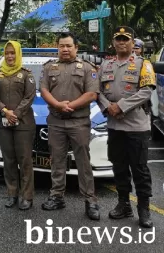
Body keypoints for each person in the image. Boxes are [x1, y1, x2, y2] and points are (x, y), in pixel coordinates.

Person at [98, 26, 156, 228]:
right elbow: (97, 92)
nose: (122, 42)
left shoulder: (143, 64)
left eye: (126, 39)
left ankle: (144, 208)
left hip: (137, 128)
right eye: (118, 39)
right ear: (113, 43)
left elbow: (146, 91)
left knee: (139, 169)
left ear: (132, 43)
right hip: (115, 126)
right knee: (119, 168)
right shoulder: (106, 65)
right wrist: (108, 107)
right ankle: (124, 204)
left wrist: (121, 106)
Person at [40, 32, 100, 220]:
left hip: (78, 122)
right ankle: (57, 196)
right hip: (56, 121)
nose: (65, 49)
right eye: (61, 46)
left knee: (83, 162)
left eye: (68, 46)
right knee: (56, 160)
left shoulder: (87, 68)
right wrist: (58, 105)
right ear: (57, 47)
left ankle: (90, 200)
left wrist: (70, 106)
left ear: (76, 48)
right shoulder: (49, 67)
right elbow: (43, 90)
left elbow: (92, 94)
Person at [0, 41, 36, 210]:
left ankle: (27, 196)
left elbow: (29, 97)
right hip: (3, 122)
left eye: (13, 53)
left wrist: (15, 113)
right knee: (9, 160)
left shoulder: (26, 74)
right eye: (7, 53)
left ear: (18, 55)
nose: (10, 56)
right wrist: (5, 111)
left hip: (23, 124)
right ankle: (12, 194)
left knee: (24, 160)